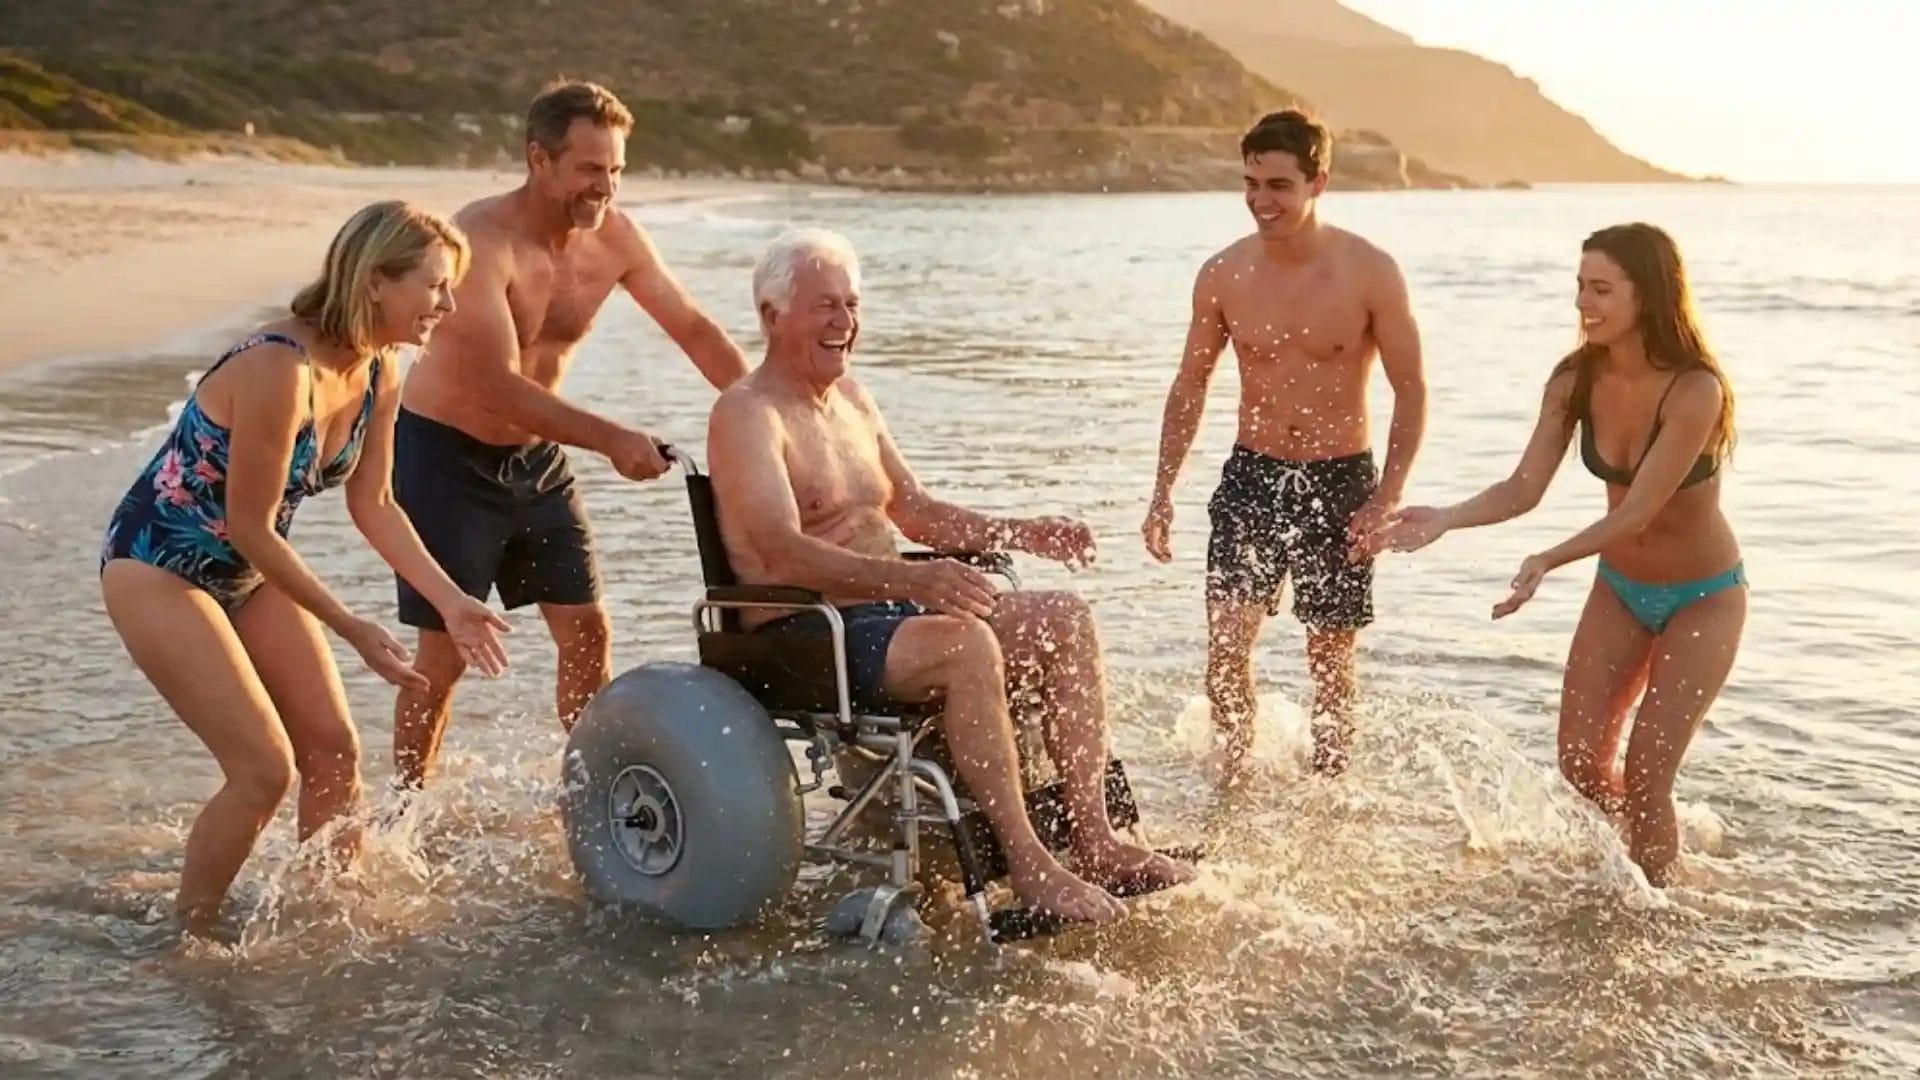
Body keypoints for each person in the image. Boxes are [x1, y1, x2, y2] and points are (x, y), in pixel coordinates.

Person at [707, 228, 1195, 923]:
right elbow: (783, 552)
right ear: (771, 314)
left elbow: (915, 510)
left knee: (1063, 618)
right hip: (807, 632)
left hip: (887, 615)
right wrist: (916, 583)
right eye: (824, 305)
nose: (844, 321)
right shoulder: (746, 413)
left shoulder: (852, 401)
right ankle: (1031, 868)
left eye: (851, 303)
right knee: (966, 646)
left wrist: (1022, 530)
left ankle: (1094, 839)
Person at [99, 201, 512, 935]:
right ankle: (188, 940)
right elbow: (252, 526)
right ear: (376, 282)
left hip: (242, 569)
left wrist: (450, 602)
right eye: (435, 285)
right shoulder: (277, 368)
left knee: (334, 749)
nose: (447, 304)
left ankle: (324, 920)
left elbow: (376, 503)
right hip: (157, 562)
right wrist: (352, 626)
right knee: (262, 769)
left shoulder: (382, 372)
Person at [390, 81, 751, 789]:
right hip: (445, 458)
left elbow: (695, 329)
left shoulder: (614, 236)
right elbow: (496, 384)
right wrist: (614, 439)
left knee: (587, 630)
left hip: (536, 458)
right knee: (443, 655)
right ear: (539, 158)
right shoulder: (480, 242)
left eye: (615, 170)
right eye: (590, 169)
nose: (605, 187)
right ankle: (404, 808)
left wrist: (763, 415)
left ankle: (593, 793)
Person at [1371, 223, 1744, 886]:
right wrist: (1448, 519)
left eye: (1601, 289)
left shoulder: (1696, 391)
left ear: (1649, 296)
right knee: (1578, 762)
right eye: (1580, 286)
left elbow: (1639, 510)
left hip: (1705, 597)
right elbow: (1523, 487)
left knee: (1649, 772)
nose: (1583, 303)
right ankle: (1639, 853)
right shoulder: (1575, 378)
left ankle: (1659, 914)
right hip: (1622, 587)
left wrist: (1546, 559)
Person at [1140, 110, 1427, 777]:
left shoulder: (1370, 272)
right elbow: (1191, 385)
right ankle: (1233, 786)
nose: (1260, 201)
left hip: (1341, 481)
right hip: (1253, 477)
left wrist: (1387, 498)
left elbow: (1411, 390)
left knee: (1329, 659)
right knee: (1225, 652)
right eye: (1250, 183)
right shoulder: (1223, 274)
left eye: (1277, 186)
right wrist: (1161, 493)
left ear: (1317, 181)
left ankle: (1327, 795)